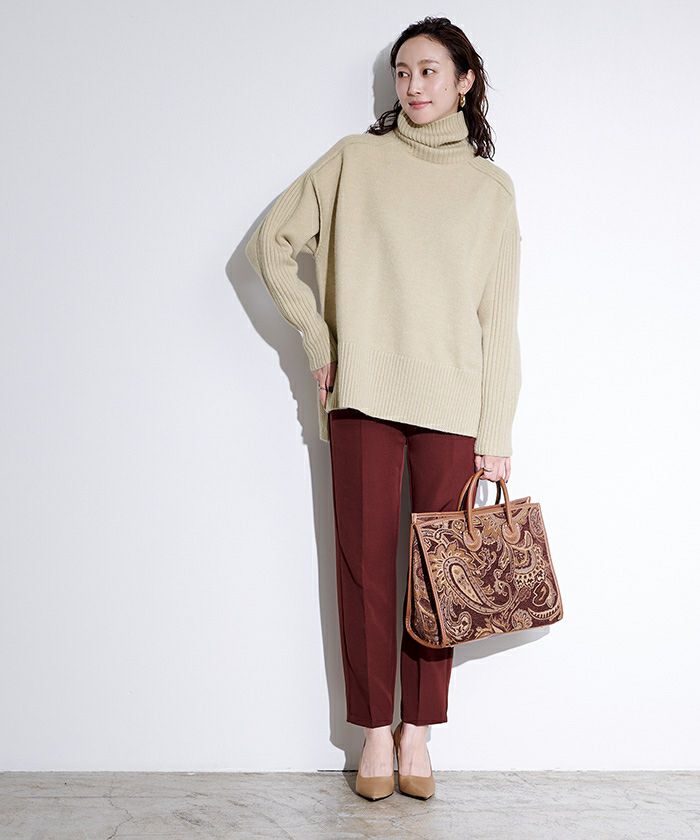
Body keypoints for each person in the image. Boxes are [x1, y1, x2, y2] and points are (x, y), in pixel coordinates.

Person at [244, 16, 522, 801]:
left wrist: (496, 431)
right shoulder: (354, 161)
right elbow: (269, 246)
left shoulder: (490, 189)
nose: (413, 86)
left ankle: (418, 734)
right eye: (403, 72)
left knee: (439, 574)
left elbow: (499, 321)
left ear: (465, 81)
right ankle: (373, 732)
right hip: (362, 395)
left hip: (453, 404)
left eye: (429, 71)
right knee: (365, 569)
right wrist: (319, 339)